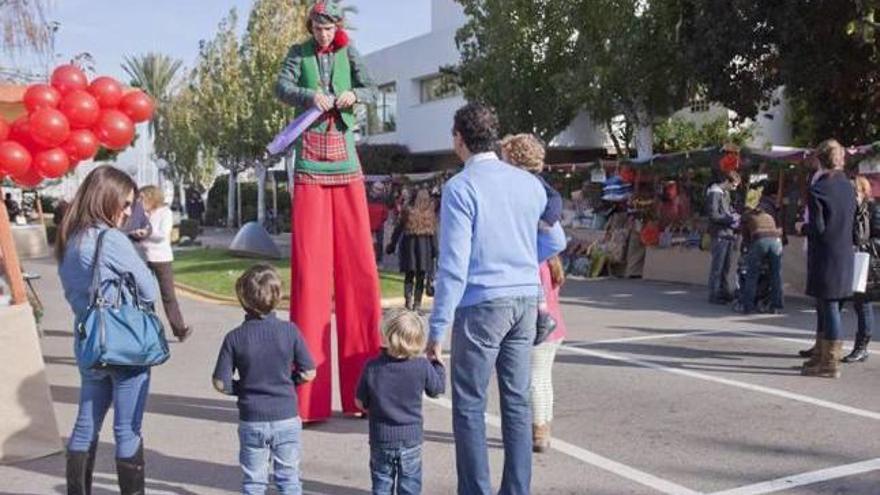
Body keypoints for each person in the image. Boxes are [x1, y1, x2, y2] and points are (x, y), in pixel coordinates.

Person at [427, 103, 567, 495]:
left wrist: (437, 329)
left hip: (483, 303)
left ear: (459, 139)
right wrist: (521, 256)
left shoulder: (460, 187)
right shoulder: (527, 183)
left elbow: (453, 265)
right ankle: (517, 489)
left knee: (470, 404)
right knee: (517, 401)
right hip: (524, 300)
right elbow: (556, 239)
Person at [275, 1, 382, 422]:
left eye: (330, 27)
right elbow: (281, 89)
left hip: (346, 162)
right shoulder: (297, 54)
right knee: (310, 274)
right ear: (310, 26)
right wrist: (309, 96)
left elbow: (371, 89)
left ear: (337, 27)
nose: (323, 34)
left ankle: (362, 395)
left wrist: (356, 95)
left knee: (360, 272)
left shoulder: (349, 53)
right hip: (309, 166)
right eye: (318, 27)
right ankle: (308, 401)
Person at [56, 165, 159, 495]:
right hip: (124, 344)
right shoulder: (110, 239)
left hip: (90, 343)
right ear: (106, 199)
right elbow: (149, 289)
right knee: (127, 429)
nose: (129, 212)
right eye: (125, 204)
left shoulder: (70, 238)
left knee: (85, 424)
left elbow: (74, 294)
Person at [212, 264, 317, 495]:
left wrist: (242, 388)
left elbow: (221, 383)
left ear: (243, 299)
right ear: (278, 297)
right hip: (286, 416)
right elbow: (309, 372)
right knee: (289, 478)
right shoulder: (290, 332)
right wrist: (290, 381)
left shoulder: (234, 338)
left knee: (254, 480)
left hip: (252, 418)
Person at [356, 311, 445, 495]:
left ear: (387, 335)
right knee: (410, 485)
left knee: (382, 483)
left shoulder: (373, 367)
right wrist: (438, 364)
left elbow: (360, 402)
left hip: (381, 438)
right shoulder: (422, 366)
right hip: (411, 438)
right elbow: (437, 389)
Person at [800, 139, 856, 379]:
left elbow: (819, 228)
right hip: (845, 250)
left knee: (829, 306)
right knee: (829, 305)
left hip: (825, 253)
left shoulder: (818, 189)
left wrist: (803, 227)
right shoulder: (849, 186)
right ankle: (822, 355)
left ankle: (830, 361)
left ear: (819, 160)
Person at [498, 133, 561, 341]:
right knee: (532, 275)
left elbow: (555, 199)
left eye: (504, 158)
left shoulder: (532, 182)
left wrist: (547, 220)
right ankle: (542, 314)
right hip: (532, 236)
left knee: (532, 275)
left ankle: (543, 315)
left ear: (516, 158)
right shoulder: (529, 183)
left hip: (534, 233)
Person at [139, 186, 193, 342]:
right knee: (145, 295)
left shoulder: (165, 213)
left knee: (168, 296)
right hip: (144, 258)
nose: (140, 201)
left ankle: (180, 329)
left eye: (143, 198)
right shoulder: (142, 213)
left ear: (152, 198)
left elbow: (163, 235)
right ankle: (148, 330)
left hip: (162, 258)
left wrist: (146, 233)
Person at [734, 183, 784, 314]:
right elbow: (778, 229)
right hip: (776, 241)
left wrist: (745, 249)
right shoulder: (769, 214)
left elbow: (746, 237)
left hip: (760, 240)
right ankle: (776, 305)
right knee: (775, 275)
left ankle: (748, 306)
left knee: (752, 274)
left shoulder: (748, 216)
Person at [387, 188, 438, 312]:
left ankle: (408, 300)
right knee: (421, 277)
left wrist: (392, 245)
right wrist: (435, 251)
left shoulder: (407, 211)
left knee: (409, 276)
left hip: (409, 247)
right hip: (424, 249)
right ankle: (417, 304)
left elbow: (398, 229)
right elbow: (433, 234)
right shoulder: (429, 214)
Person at [844, 175, 877, 363]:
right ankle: (824, 345)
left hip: (866, 261)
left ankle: (861, 347)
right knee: (855, 303)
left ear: (863, 192)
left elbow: (875, 236)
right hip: (852, 258)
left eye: (854, 190)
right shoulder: (853, 210)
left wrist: (864, 247)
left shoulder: (872, 209)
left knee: (863, 303)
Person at [706, 170, 742, 304]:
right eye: (733, 185)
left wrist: (734, 216)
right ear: (727, 181)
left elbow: (727, 211)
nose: (734, 188)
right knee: (718, 266)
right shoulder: (715, 193)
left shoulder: (725, 194)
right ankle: (714, 294)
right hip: (720, 233)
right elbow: (714, 215)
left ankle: (724, 291)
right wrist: (730, 219)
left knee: (726, 266)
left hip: (728, 234)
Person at [368, 181, 391, 265]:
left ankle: (378, 259)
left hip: (378, 225)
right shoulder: (366, 197)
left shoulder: (383, 199)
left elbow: (385, 213)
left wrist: (380, 221)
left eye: (380, 190)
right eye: (377, 189)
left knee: (379, 243)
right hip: (368, 225)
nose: (378, 191)